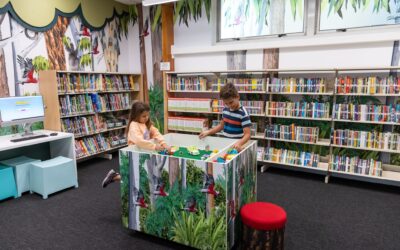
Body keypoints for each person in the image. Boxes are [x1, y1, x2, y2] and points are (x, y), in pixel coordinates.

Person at [102, 101, 168, 188]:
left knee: (137, 176)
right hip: (134, 153)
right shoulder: (134, 125)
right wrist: (155, 146)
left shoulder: (145, 123)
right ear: (136, 115)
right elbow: (139, 141)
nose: (146, 118)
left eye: (147, 115)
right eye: (144, 116)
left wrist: (163, 143)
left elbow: (155, 132)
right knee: (135, 177)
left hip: (143, 153)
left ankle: (114, 176)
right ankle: (114, 176)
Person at [199, 83, 251, 151]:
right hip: (225, 143)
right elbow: (221, 126)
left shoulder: (243, 113)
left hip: (237, 147)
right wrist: (208, 132)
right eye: (226, 103)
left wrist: (239, 143)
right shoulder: (225, 109)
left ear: (238, 97)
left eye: (231, 102)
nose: (229, 105)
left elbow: (247, 135)